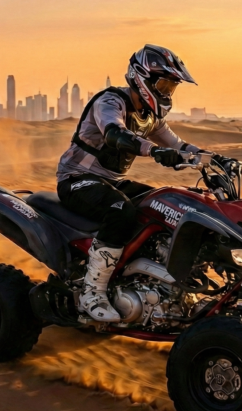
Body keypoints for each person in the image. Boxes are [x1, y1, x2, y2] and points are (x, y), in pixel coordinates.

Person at [56, 44, 220, 322]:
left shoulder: (150, 118)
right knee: (120, 210)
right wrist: (154, 151)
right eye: (164, 84)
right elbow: (115, 134)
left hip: (111, 182)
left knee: (164, 205)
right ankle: (91, 291)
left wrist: (216, 160)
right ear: (142, 78)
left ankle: (149, 281)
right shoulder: (110, 102)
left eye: (171, 87)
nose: (167, 93)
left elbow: (179, 146)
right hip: (76, 180)